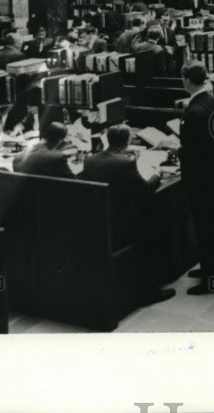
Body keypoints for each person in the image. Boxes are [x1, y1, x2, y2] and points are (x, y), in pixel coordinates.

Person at [80, 124, 175, 305]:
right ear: (128, 141)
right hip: (123, 222)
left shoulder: (90, 160)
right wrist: (156, 173)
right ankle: (149, 292)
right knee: (155, 228)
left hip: (100, 218)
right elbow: (145, 190)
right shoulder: (126, 163)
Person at [179, 62, 214, 295]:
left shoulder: (194, 111)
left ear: (188, 80)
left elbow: (192, 151)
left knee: (205, 227)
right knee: (211, 228)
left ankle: (213, 279)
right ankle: (210, 268)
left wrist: (175, 148)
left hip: (201, 179)